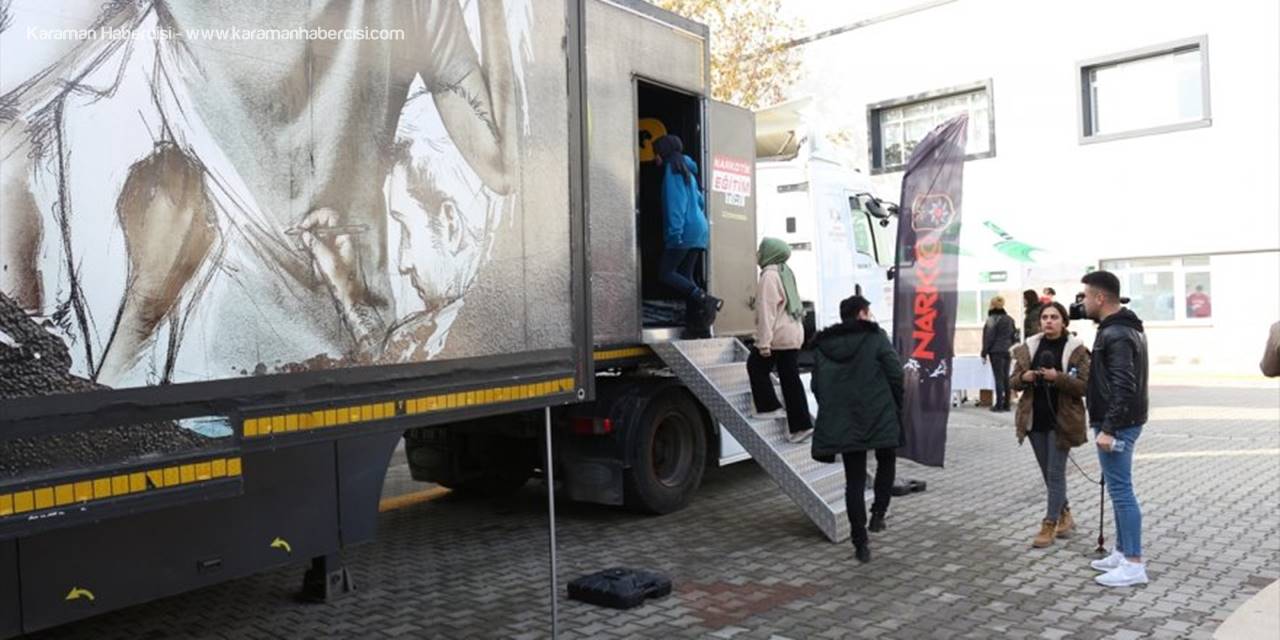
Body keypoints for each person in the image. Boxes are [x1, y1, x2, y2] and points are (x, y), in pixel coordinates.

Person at [810, 295, 903, 563]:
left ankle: (860, 543)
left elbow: (817, 386)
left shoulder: (824, 345)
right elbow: (896, 373)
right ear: (861, 314)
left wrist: (834, 409)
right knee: (887, 458)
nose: (871, 316)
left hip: (844, 419)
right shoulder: (875, 337)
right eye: (868, 312)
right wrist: (896, 404)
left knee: (854, 480)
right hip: (878, 413)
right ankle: (878, 513)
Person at [1080, 270, 1150, 587]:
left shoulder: (1117, 333)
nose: (1082, 303)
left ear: (1100, 298)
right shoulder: (1121, 327)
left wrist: (1108, 428)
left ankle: (1133, 564)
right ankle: (1122, 552)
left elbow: (1123, 384)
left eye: (1085, 296)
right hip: (1119, 420)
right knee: (1117, 488)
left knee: (1122, 492)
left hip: (1117, 423)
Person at [1009, 302, 1090, 548]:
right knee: (1047, 472)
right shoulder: (1029, 347)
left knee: (1055, 473)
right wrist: (1024, 377)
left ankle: (1049, 523)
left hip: (1062, 419)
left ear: (1064, 321)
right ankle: (1065, 513)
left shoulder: (1076, 350)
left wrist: (1058, 378)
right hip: (1034, 419)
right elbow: (1012, 381)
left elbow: (1086, 386)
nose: (1049, 321)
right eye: (1045, 317)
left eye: (1054, 317)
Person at [653, 134, 720, 332]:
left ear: (662, 152)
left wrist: (675, 234)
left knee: (666, 273)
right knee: (685, 277)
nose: (654, 157)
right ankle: (697, 327)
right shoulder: (687, 170)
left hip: (686, 230)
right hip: (699, 228)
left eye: (655, 152)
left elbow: (676, 204)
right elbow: (700, 201)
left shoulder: (672, 170)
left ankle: (705, 299)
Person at [748, 237, 812, 443]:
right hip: (793, 333)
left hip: (779, 335)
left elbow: (767, 313)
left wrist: (763, 343)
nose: (758, 254)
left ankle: (769, 407)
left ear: (770, 253)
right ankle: (801, 426)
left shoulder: (769, 276)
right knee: (790, 379)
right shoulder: (785, 272)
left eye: (761, 250)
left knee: (755, 366)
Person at [981, 296, 1017, 412]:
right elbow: (1014, 335)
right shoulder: (1010, 319)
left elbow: (989, 337)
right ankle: (1007, 404)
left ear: (992, 305)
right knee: (1006, 377)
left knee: (998, 378)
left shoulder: (992, 319)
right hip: (1008, 350)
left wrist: (984, 352)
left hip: (996, 351)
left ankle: (999, 405)